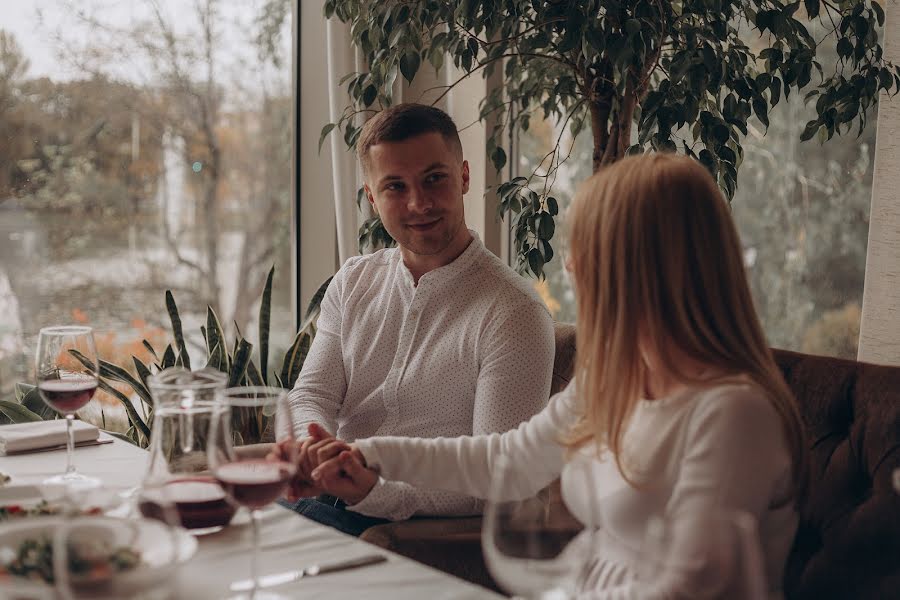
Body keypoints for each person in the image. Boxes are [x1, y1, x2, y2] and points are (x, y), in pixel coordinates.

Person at [302, 153, 808, 598]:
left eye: (587, 246)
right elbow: (508, 459)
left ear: (645, 264)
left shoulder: (733, 412)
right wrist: (371, 453)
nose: (569, 262)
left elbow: (690, 587)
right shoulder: (615, 377)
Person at [282, 103, 555, 536]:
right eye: (394, 186)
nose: (419, 203)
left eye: (434, 179)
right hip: (319, 501)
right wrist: (314, 445)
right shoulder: (352, 281)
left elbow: (499, 479)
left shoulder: (513, 313)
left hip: (400, 531)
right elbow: (310, 394)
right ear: (372, 198)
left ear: (464, 176)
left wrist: (374, 491)